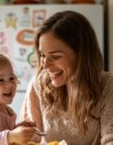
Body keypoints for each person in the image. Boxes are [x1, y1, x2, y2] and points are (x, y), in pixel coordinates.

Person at [20, 11, 113, 145]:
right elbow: (29, 138)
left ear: (82, 55)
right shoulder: (38, 84)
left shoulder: (108, 86)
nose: (45, 65)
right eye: (42, 55)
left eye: (56, 56)